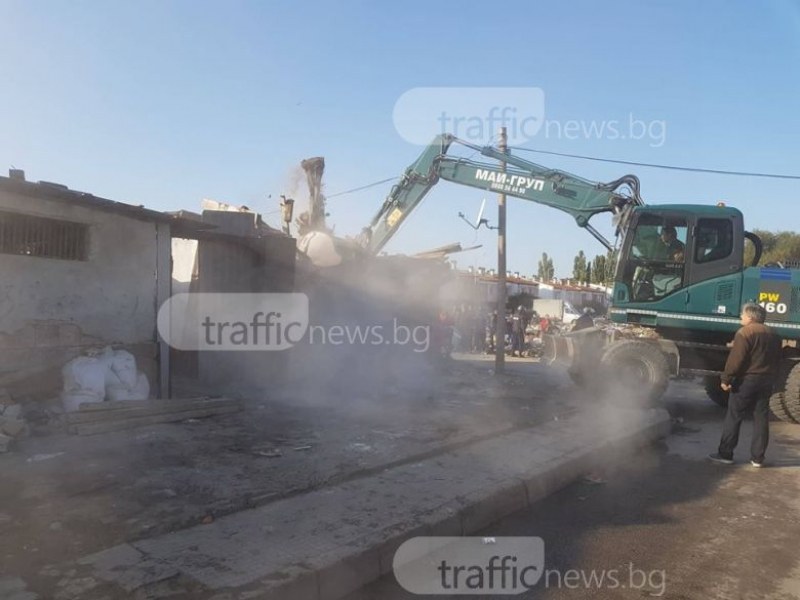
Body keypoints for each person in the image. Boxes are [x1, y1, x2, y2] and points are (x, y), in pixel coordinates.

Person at [709, 302, 782, 467]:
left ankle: (725, 453)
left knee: (734, 416)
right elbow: (778, 359)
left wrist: (726, 379)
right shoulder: (774, 334)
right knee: (761, 418)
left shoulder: (745, 332)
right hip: (766, 380)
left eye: (742, 314)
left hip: (746, 381)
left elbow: (736, 360)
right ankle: (758, 458)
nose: (740, 317)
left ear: (750, 317)